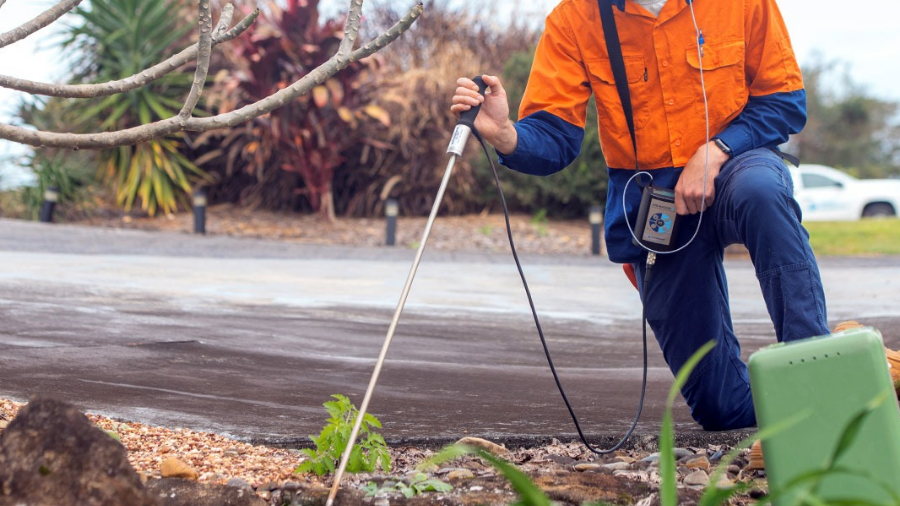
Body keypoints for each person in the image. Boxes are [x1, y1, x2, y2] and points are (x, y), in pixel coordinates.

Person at [451, 0, 833, 431]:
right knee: (719, 406)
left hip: (736, 163)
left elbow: (783, 102)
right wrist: (505, 134)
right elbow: (556, 138)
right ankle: (828, 396)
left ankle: (818, 377)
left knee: (762, 192)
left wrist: (717, 149)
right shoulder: (574, 17)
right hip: (655, 203)